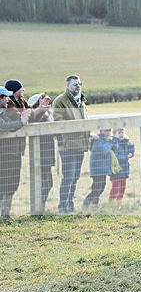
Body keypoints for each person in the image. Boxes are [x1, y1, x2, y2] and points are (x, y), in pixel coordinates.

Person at [53, 74, 90, 214]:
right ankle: (63, 206)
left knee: (75, 177)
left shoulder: (81, 101)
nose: (78, 86)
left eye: (80, 83)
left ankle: (70, 204)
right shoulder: (60, 101)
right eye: (75, 84)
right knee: (68, 176)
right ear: (68, 86)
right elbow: (58, 122)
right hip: (68, 145)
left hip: (80, 145)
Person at [0, 85, 28, 219]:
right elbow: (5, 126)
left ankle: (5, 214)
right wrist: (21, 122)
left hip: (10, 152)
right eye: (5, 97)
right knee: (3, 182)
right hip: (4, 153)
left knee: (11, 182)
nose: (7, 99)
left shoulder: (3, 111)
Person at [28, 93, 57, 207]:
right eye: (42, 100)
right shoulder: (38, 116)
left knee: (47, 182)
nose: (46, 102)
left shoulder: (48, 114)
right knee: (45, 182)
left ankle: (40, 206)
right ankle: (39, 207)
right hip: (41, 153)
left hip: (47, 151)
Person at [84, 127, 117, 208]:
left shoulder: (108, 140)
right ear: (101, 131)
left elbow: (114, 148)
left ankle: (95, 204)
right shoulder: (98, 139)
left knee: (101, 186)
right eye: (106, 130)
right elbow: (102, 150)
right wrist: (110, 144)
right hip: (97, 168)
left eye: (109, 130)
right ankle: (87, 201)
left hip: (103, 168)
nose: (108, 132)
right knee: (97, 187)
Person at [109, 127, 135, 201]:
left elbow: (130, 151)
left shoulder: (125, 142)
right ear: (114, 134)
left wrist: (131, 147)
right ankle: (111, 200)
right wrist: (126, 157)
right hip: (116, 169)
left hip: (124, 169)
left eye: (122, 132)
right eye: (119, 133)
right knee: (115, 186)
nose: (121, 134)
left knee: (123, 186)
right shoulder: (114, 143)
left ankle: (119, 201)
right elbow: (115, 156)